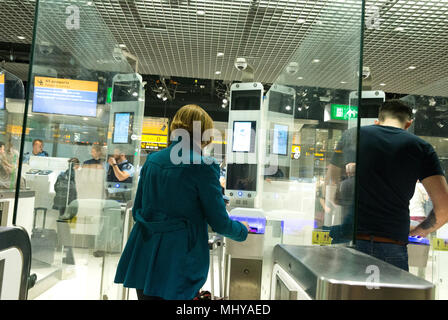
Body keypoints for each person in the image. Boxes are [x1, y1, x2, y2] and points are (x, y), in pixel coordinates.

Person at [114, 104, 249, 300]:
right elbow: (219, 222)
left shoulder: (152, 160)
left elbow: (138, 210)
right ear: (204, 133)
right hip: (179, 258)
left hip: (144, 251)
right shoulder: (204, 166)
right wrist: (242, 230)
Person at [328, 99, 448, 271]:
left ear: (378, 120)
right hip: (391, 243)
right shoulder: (421, 147)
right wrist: (419, 231)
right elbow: (444, 208)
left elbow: (331, 183)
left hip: (349, 239)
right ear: (409, 123)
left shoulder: (352, 135)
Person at [53, 157, 80, 265]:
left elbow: (56, 187)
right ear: (76, 166)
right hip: (72, 207)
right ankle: (69, 256)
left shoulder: (62, 175)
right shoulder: (76, 176)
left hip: (61, 205)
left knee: (64, 229)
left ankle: (65, 252)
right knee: (70, 230)